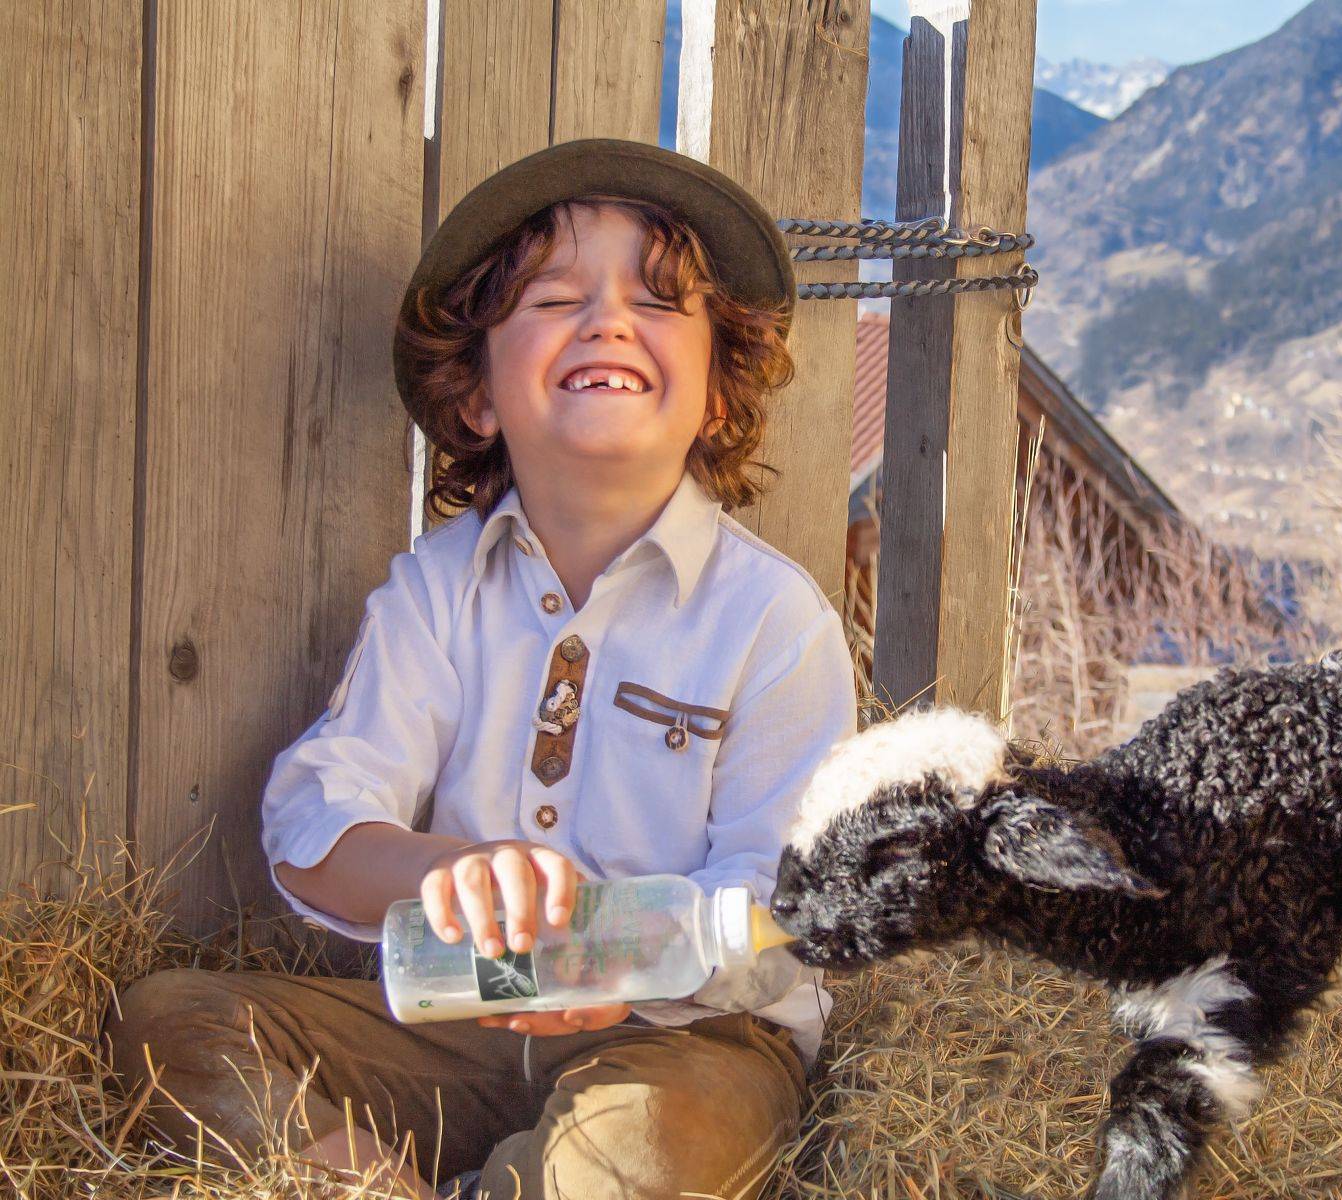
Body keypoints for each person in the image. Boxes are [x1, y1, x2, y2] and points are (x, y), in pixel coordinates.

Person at [103, 137, 859, 1200]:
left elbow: (785, 901)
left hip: (687, 1042)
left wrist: (612, 958)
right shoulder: (435, 592)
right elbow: (316, 811)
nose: (607, 321)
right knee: (164, 1024)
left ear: (719, 395)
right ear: (478, 398)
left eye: (655, 302)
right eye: (555, 300)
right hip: (460, 1020)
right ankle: (375, 1183)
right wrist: (444, 875)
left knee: (648, 1150)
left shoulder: (772, 620)